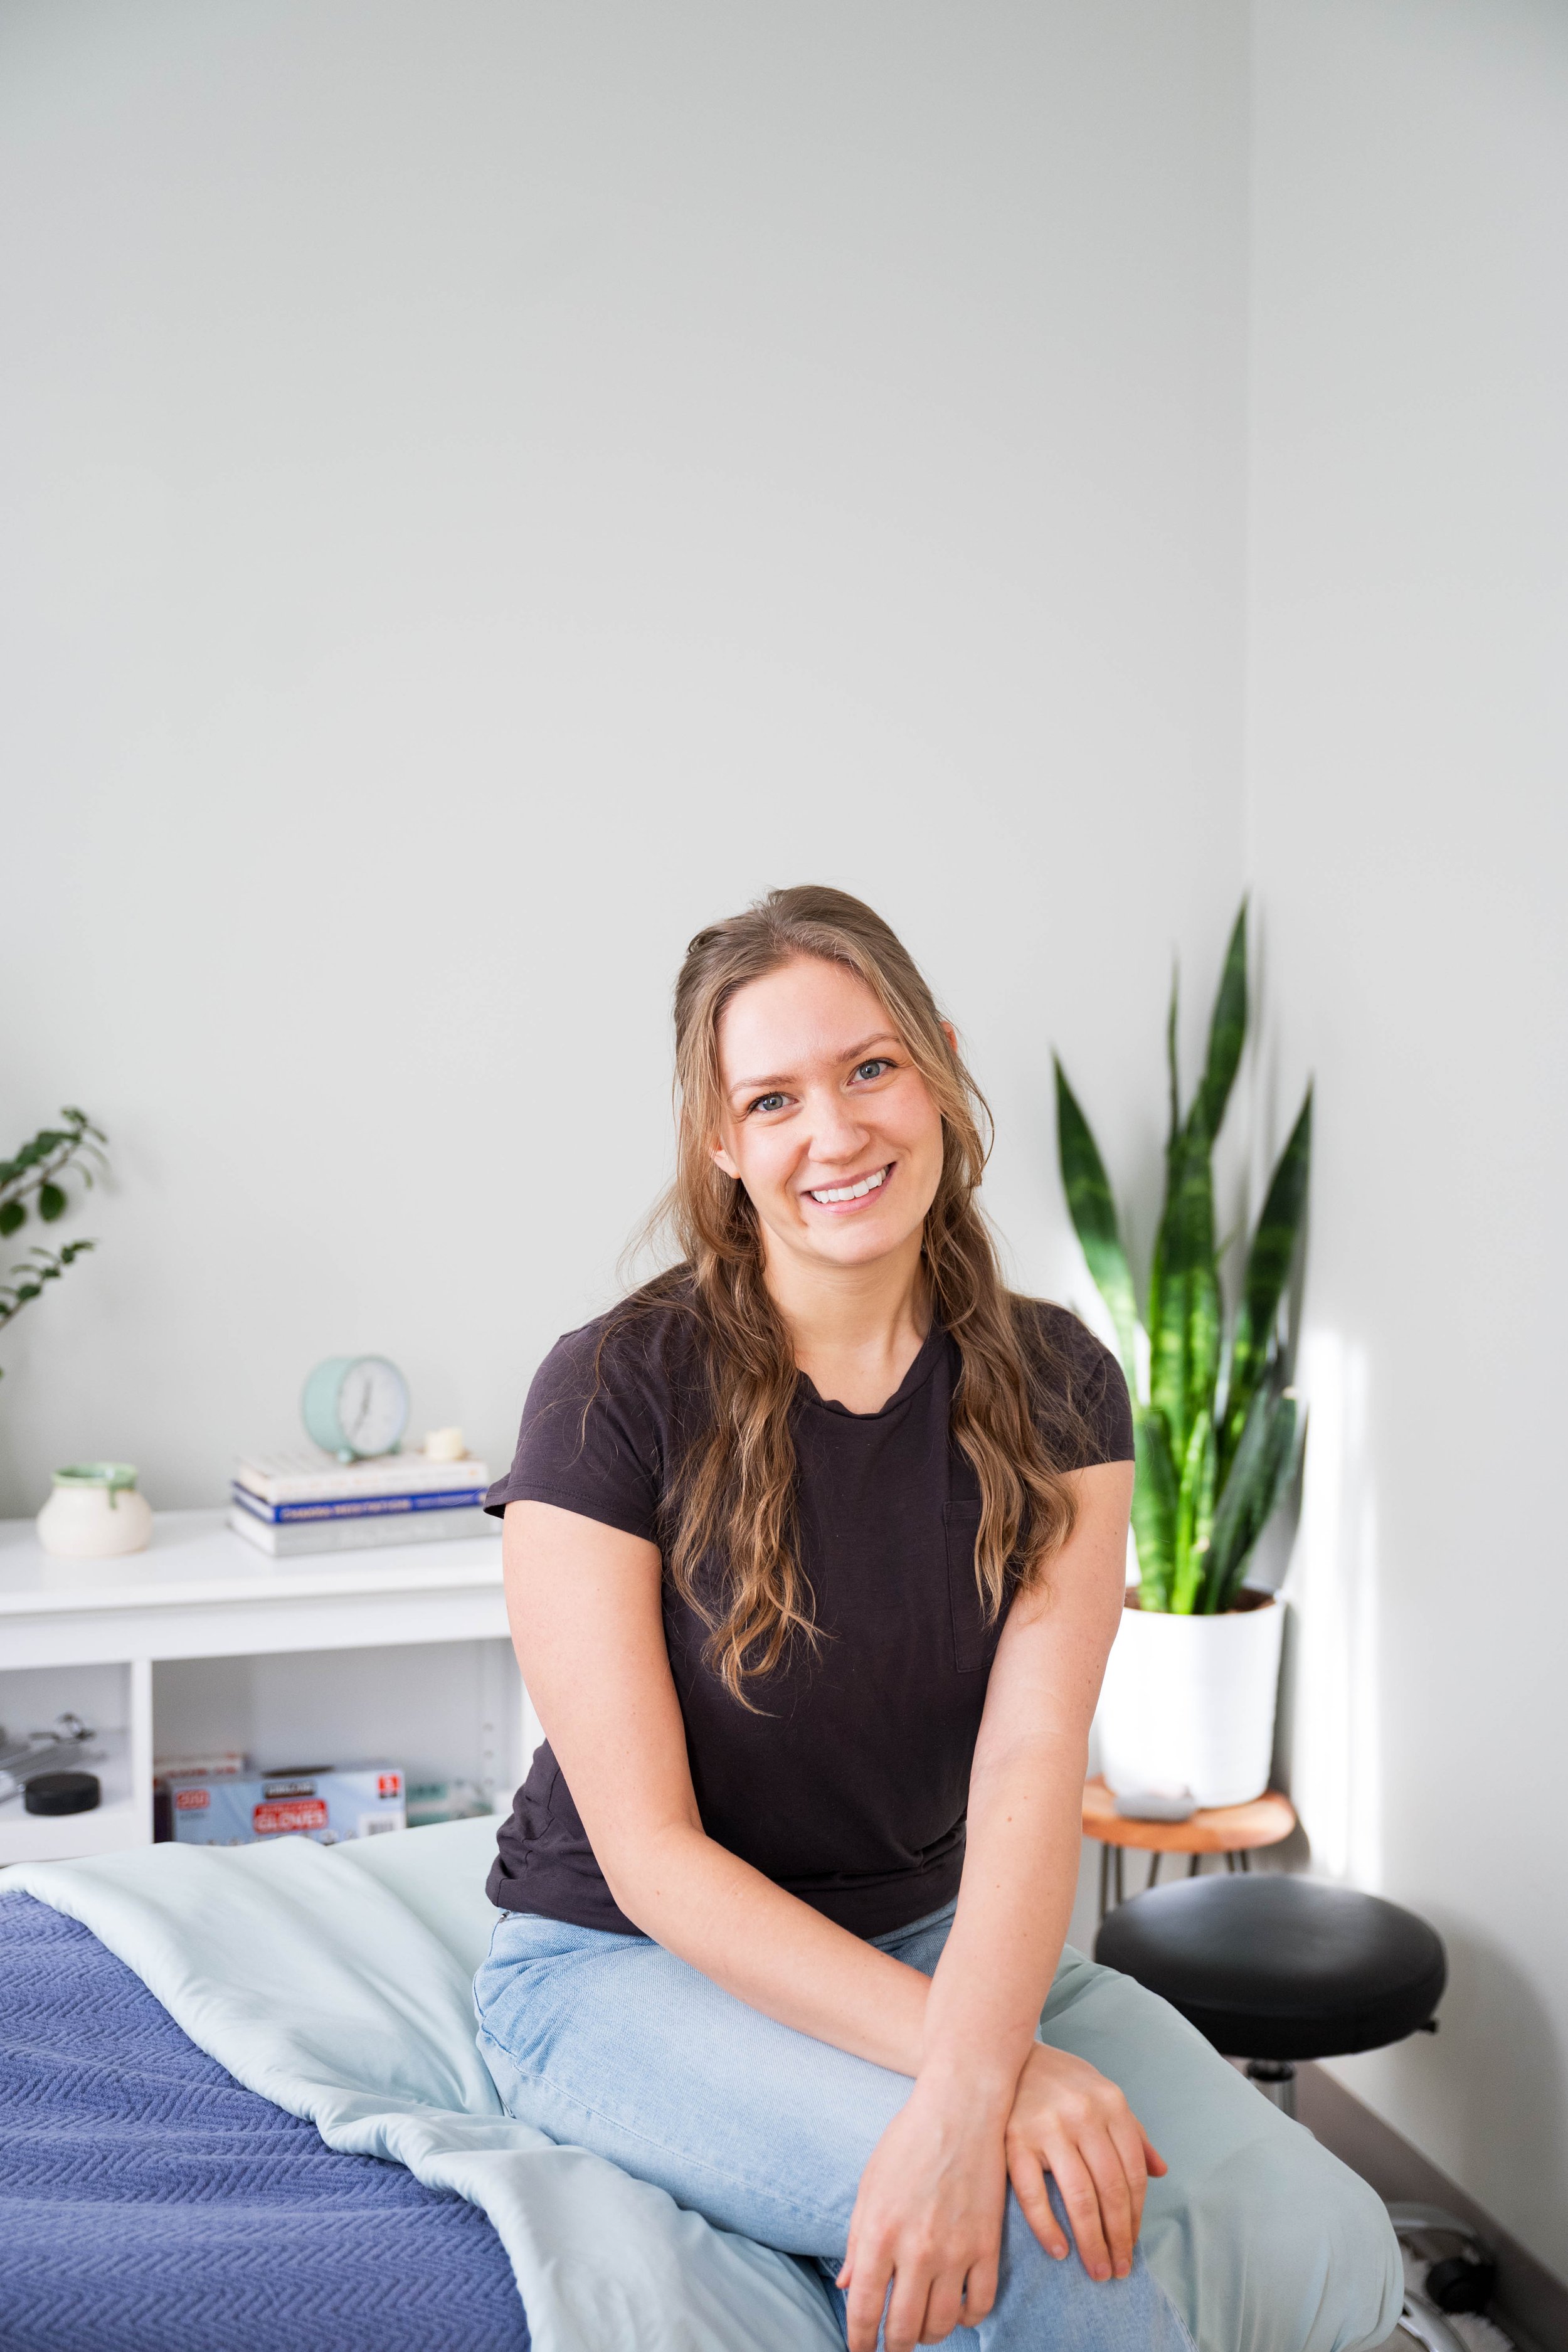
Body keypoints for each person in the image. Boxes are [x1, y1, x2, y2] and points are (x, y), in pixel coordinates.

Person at [474, 886, 1399, 2352]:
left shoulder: (1060, 1385)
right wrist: (984, 2085)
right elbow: (648, 1859)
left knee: (1311, 2219)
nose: (832, 1134)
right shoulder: (609, 1391)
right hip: (619, 1971)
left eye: (867, 1070)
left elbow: (1032, 1762)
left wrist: (977, 2053)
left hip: (936, 1940)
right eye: (770, 1099)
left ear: (937, 1065)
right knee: (1036, 2246)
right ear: (721, 1146)